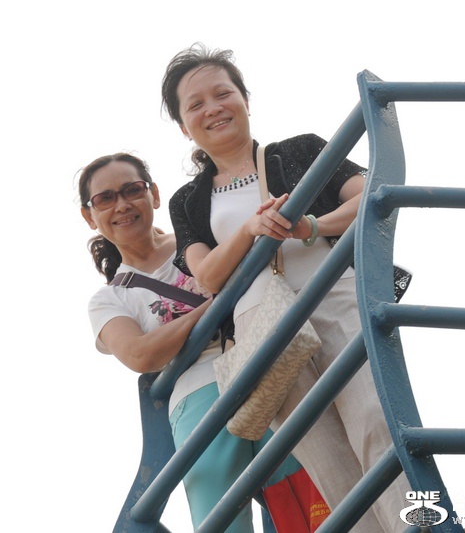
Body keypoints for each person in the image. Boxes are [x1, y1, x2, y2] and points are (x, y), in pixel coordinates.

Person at [160, 43, 411, 532]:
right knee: (325, 461)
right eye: (195, 104)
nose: (213, 108)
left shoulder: (299, 150)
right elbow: (207, 274)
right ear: (184, 126)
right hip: (260, 327)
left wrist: (311, 226)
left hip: (332, 293)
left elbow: (371, 193)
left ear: (245, 100)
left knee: (378, 420)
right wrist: (250, 230)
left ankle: (419, 525)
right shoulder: (188, 200)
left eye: (223, 93)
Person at [79, 152, 330, 532]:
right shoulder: (110, 299)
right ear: (90, 215)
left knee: (308, 501)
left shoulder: (200, 239)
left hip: (262, 368)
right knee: (220, 516)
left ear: (154, 194)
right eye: (105, 198)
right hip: (197, 395)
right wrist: (215, 305)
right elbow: (140, 354)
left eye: (132, 190)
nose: (122, 205)